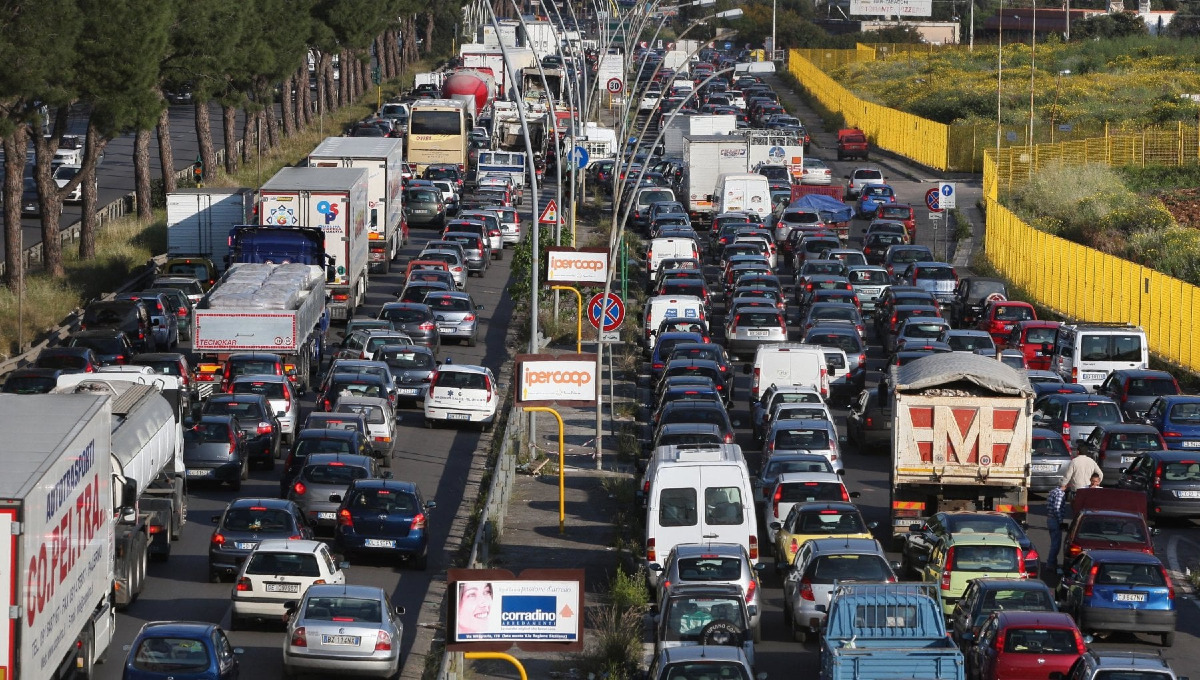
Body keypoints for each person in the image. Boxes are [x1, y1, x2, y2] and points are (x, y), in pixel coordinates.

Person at [1046, 481, 1069, 574]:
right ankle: (1050, 564)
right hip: (1055, 520)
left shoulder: (1053, 491)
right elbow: (1057, 508)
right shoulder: (1060, 493)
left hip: (1050, 519)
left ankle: (1053, 563)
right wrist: (1060, 521)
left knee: (1054, 542)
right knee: (1056, 544)